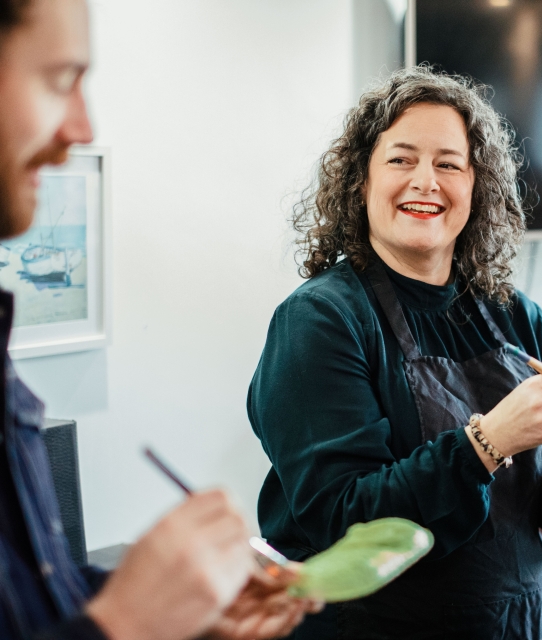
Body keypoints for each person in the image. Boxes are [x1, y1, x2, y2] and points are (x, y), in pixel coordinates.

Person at [0, 0, 319, 638]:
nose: (82, 128)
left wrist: (179, 614)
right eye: (61, 80)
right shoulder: (320, 318)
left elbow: (35, 603)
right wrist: (126, 623)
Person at [248, 66, 542, 640]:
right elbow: (342, 523)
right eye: (401, 159)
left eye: (448, 164)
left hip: (518, 624)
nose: (425, 181)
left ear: (475, 185)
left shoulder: (516, 314)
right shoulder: (322, 320)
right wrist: (487, 443)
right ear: (361, 181)